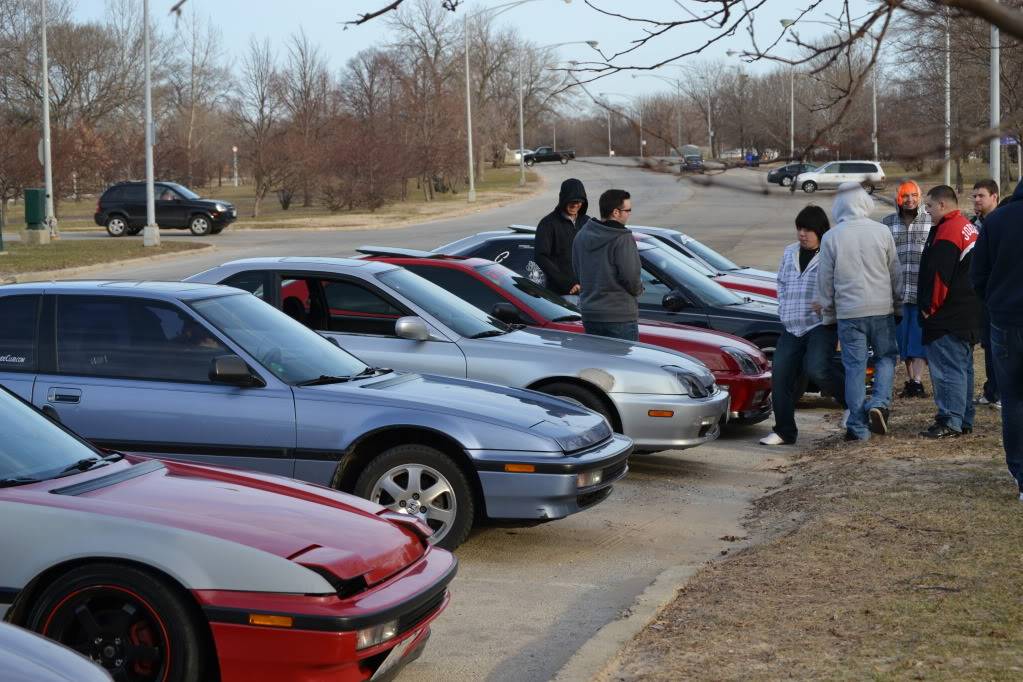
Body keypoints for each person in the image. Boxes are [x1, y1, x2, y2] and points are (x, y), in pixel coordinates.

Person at [816, 182, 902, 441]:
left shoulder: (831, 237)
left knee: (854, 366)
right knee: (886, 357)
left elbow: (825, 280)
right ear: (865, 202)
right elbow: (894, 272)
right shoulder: (882, 231)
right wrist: (897, 305)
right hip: (881, 308)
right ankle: (878, 402)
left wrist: (828, 313)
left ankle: (857, 426)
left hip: (849, 312)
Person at [760, 205, 846, 446]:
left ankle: (854, 406)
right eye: (799, 228)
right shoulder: (789, 252)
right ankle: (784, 431)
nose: (802, 234)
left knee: (818, 369)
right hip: (791, 325)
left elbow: (841, 284)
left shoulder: (831, 253)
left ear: (820, 231)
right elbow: (781, 283)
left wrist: (830, 306)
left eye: (808, 229)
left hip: (820, 324)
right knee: (781, 376)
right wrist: (783, 307)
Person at [972, 178, 1023, 500]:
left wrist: (994, 301)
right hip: (1005, 316)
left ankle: (1020, 473)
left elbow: (977, 275)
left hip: (1006, 319)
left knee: (1014, 400)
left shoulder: (998, 221)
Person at [917, 185, 981, 439]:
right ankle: (963, 417)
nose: (927, 212)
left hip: (947, 316)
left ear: (942, 205)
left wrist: (928, 310)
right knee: (963, 367)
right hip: (968, 313)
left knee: (947, 367)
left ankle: (950, 419)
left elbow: (939, 278)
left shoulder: (948, 232)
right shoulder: (967, 226)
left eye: (929, 206)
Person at [571, 189, 642, 341]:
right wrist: (638, 290)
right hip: (619, 315)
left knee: (599, 364)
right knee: (623, 364)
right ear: (616, 212)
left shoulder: (582, 235)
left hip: (590, 314)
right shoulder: (622, 238)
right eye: (627, 210)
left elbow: (577, 272)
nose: (629, 213)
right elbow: (630, 276)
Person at [881, 180, 931, 398]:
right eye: (905, 196)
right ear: (897, 199)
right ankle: (910, 380)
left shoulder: (930, 222)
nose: (909, 200)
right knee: (902, 340)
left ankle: (918, 381)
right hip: (897, 295)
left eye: (913, 195)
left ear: (920, 197)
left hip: (922, 292)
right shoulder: (887, 223)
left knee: (919, 339)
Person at [970, 179, 1000, 408]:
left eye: (981, 195)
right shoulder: (972, 225)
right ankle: (991, 390)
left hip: (999, 294)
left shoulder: (1003, 223)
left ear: (994, 197)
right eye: (974, 196)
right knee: (988, 345)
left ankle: (1001, 392)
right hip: (979, 296)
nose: (977, 200)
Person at [535, 178, 589, 295]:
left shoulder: (588, 223)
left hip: (588, 293)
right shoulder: (547, 224)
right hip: (562, 295)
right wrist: (567, 283)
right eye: (572, 201)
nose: (575, 205)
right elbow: (541, 257)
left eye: (579, 201)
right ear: (563, 200)